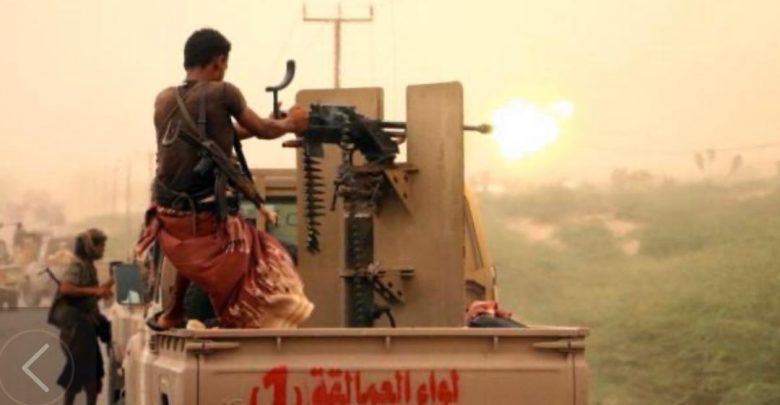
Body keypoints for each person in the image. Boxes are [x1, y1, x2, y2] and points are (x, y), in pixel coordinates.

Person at [136, 28, 313, 330]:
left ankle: (173, 312)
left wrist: (273, 121)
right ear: (219, 61)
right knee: (267, 254)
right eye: (225, 65)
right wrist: (291, 123)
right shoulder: (224, 92)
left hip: (170, 218)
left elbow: (216, 136)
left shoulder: (164, 100)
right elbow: (262, 130)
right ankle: (240, 316)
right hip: (206, 217)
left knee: (190, 253)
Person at [54, 229, 113, 405]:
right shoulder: (78, 265)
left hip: (85, 328)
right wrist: (95, 291)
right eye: (101, 245)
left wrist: (112, 280)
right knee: (84, 376)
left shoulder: (88, 266)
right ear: (90, 246)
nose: (103, 249)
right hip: (75, 330)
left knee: (90, 376)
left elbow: (89, 297)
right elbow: (66, 288)